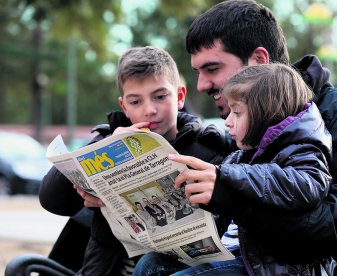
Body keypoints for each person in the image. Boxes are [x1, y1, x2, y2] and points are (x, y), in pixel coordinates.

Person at [181, 0, 337, 274]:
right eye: (198, 72)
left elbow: (332, 232)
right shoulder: (245, 123)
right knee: (153, 264)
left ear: (258, 61)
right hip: (260, 260)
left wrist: (229, 197)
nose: (201, 85)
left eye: (212, 69)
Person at [134, 63, 337, 275]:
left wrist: (227, 177)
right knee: (150, 264)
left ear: (266, 114)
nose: (228, 122)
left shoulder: (303, 148)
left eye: (237, 113)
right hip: (236, 254)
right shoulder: (240, 156)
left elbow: (306, 185)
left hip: (276, 267)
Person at [39, 46, 228, 276]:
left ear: (179, 97)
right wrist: (107, 145)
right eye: (136, 102)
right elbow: (52, 200)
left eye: (160, 96)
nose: (149, 109)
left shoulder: (209, 150)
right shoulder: (107, 140)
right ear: (124, 107)